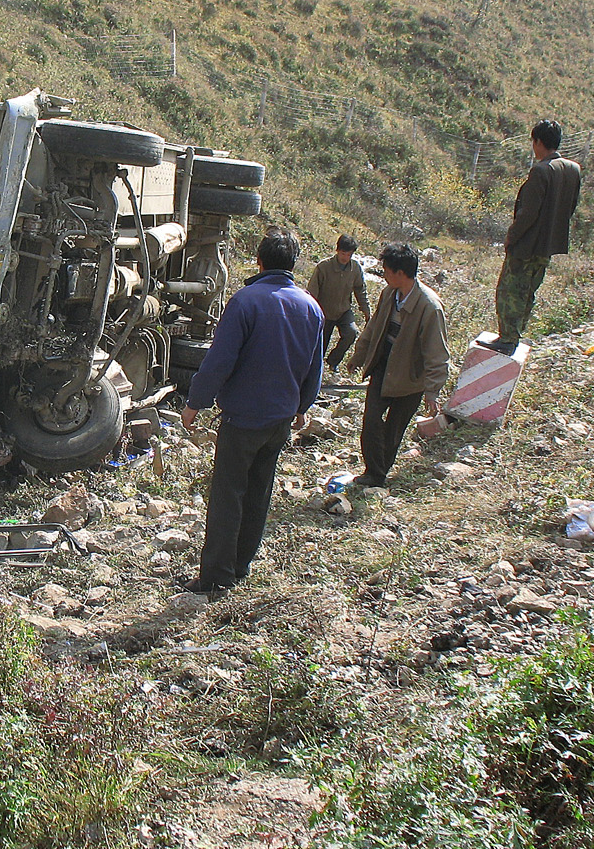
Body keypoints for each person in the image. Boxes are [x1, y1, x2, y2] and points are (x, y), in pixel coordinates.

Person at [179, 229, 324, 593]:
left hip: (243, 417)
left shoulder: (246, 301)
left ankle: (216, 577)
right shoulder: (310, 307)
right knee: (259, 490)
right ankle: (241, 564)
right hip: (280, 419)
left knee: (229, 494)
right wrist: (303, 407)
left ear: (259, 261)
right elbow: (314, 366)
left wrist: (196, 402)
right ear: (294, 264)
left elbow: (219, 361)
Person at [346, 242, 449, 488]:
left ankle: (379, 475)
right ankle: (372, 471)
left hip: (410, 376)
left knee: (394, 429)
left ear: (401, 273)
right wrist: (359, 355)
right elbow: (374, 327)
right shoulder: (389, 294)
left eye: (387, 271)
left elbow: (437, 352)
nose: (384, 275)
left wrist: (432, 390)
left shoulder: (429, 307)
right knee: (371, 420)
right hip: (384, 365)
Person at [481, 119, 582, 356]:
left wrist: (511, 237)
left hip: (527, 244)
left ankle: (507, 337)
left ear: (537, 141)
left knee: (510, 290)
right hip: (548, 246)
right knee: (529, 291)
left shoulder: (541, 170)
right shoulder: (572, 169)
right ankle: (515, 335)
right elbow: (571, 206)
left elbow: (528, 213)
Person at [305, 234, 371, 373]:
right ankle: (316, 370)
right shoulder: (324, 267)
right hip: (324, 312)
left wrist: (366, 311)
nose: (345, 257)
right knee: (320, 346)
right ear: (337, 251)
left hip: (344, 311)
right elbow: (311, 293)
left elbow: (360, 290)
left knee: (351, 333)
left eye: (348, 254)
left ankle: (333, 361)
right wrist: (311, 314)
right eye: (343, 253)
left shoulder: (355, 269)